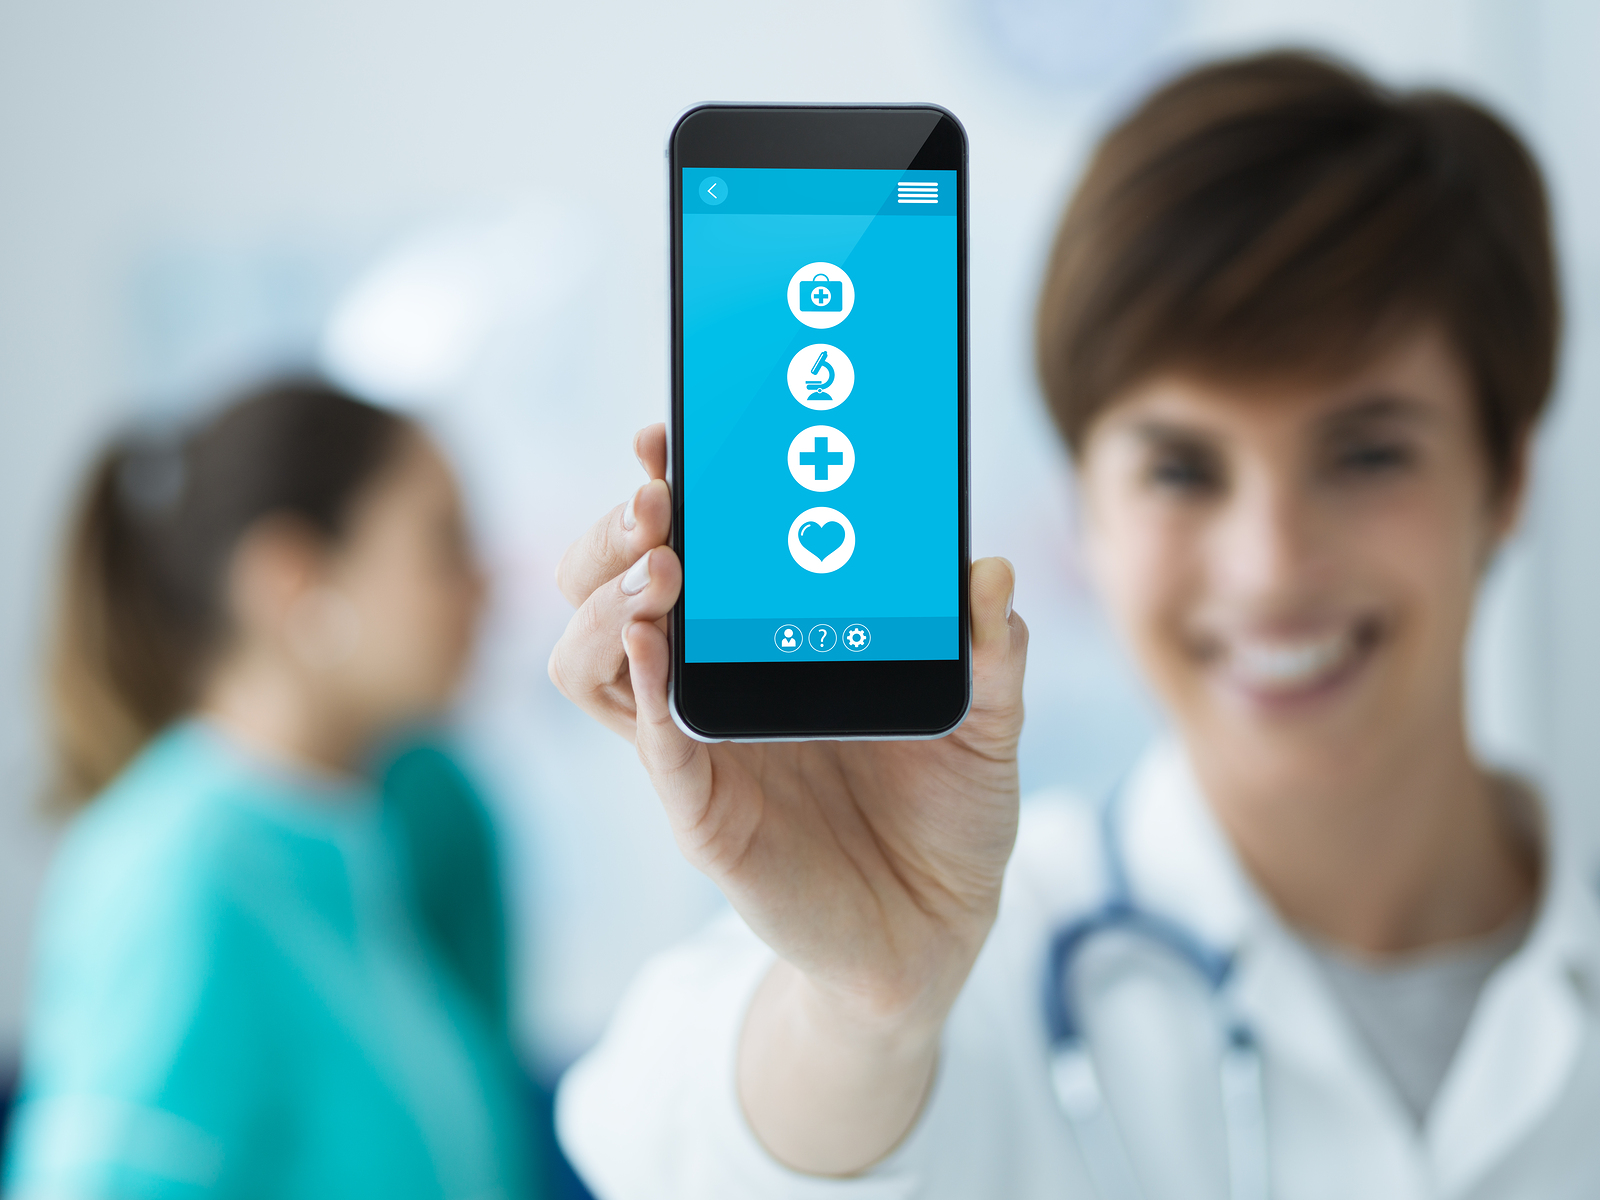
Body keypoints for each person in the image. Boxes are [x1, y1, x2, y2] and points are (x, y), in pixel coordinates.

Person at [544, 51, 1597, 1199]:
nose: (1271, 564)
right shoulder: (974, 949)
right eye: (1181, 469)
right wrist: (868, 1006)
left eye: (1367, 454)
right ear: (1083, 515)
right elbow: (666, 1143)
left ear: (1503, 479)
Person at [3, 380, 539, 1198]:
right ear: (291, 580)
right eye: (444, 544)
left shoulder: (372, 830)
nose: (487, 583)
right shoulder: (175, 875)